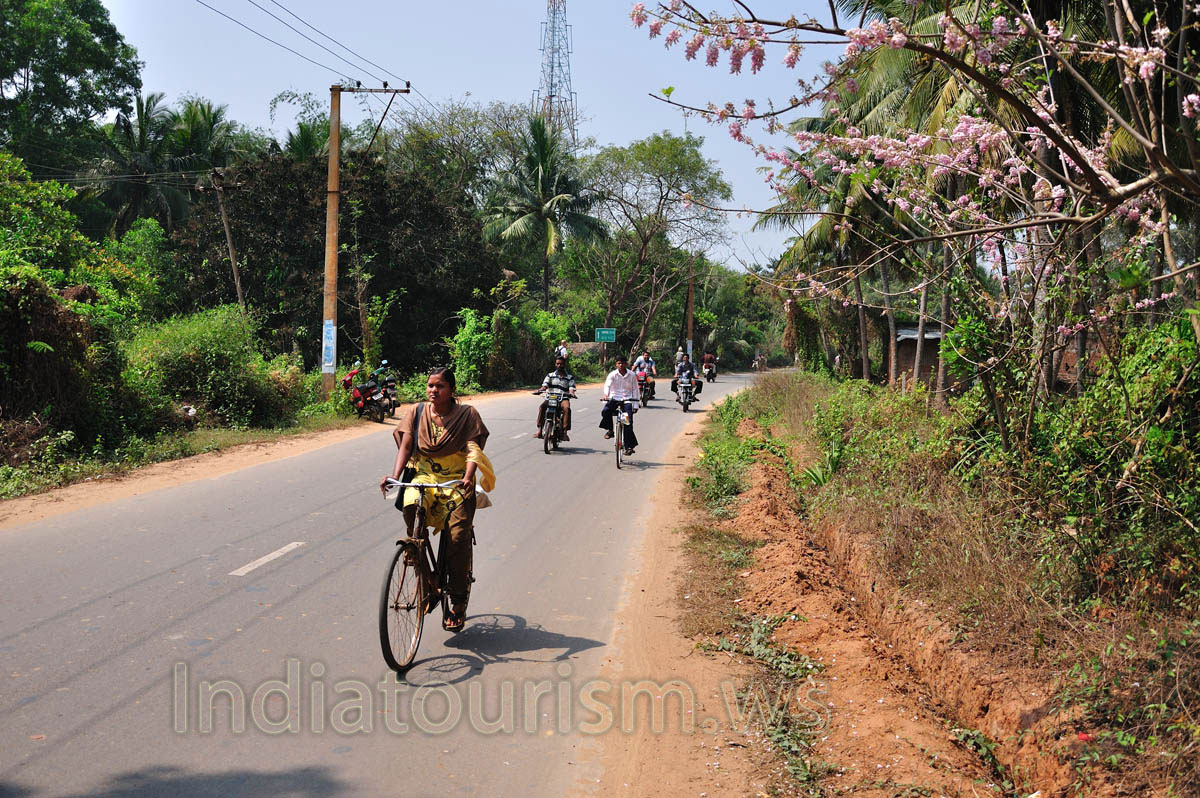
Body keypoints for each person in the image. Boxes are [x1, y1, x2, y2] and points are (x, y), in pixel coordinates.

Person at [379, 367, 492, 633]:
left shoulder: (467, 415)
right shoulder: (417, 412)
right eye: (430, 386)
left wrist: (468, 477)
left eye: (439, 386)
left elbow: (473, 450)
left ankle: (458, 602)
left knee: (457, 538)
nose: (433, 390)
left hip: (456, 478)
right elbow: (406, 446)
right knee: (410, 503)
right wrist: (394, 476)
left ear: (451, 389)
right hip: (425, 475)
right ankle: (424, 569)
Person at [600, 355, 640, 455]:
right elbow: (607, 385)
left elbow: (635, 389)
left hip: (627, 400)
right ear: (616, 364)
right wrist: (605, 395)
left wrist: (636, 405)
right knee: (605, 411)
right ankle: (610, 430)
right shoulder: (612, 374)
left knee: (627, 422)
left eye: (623, 363)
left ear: (626, 364)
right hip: (614, 398)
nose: (621, 365)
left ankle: (628, 447)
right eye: (619, 363)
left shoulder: (632, 375)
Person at [533, 356, 577, 440]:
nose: (559, 365)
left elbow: (571, 387)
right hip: (551, 397)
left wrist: (571, 393)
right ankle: (539, 430)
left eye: (561, 364)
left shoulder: (569, 377)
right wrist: (539, 390)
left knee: (567, 408)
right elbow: (545, 385)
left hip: (563, 398)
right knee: (542, 407)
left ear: (564, 365)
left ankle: (564, 432)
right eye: (558, 363)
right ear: (555, 364)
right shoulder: (550, 375)